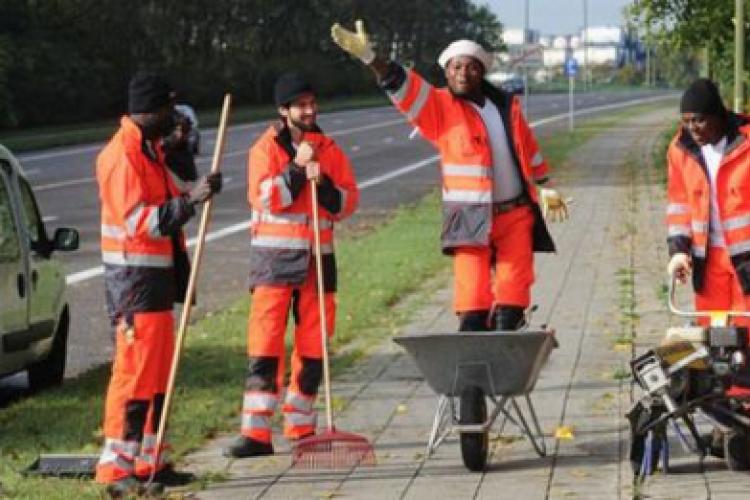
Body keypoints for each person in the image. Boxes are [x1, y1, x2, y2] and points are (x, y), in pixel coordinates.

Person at [331, 20, 569, 331]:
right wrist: (369, 58)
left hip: (515, 216)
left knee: (512, 300)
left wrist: (545, 185)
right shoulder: (439, 107)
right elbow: (402, 86)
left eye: (470, 67)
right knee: (472, 305)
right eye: (456, 67)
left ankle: (508, 358)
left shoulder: (507, 107)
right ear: (446, 72)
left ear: (481, 71)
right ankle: (472, 370)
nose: (462, 73)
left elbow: (529, 150)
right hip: (469, 218)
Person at [94, 71, 222, 496]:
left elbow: (174, 194)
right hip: (135, 283)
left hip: (157, 280)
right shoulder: (122, 156)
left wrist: (193, 181)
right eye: (168, 109)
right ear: (148, 112)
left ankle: (152, 460)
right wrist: (191, 201)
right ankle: (117, 470)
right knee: (134, 376)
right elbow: (140, 222)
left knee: (157, 374)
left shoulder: (150, 151)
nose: (175, 116)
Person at [223, 73, 359, 458]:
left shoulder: (329, 148)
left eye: (313, 102)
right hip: (274, 261)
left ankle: (301, 424)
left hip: (319, 261)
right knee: (265, 346)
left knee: (314, 346)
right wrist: (297, 170)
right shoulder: (264, 150)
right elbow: (265, 198)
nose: (310, 109)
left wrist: (327, 187)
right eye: (301, 104)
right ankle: (256, 434)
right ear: (284, 111)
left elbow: (348, 203)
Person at [666, 78, 750, 463]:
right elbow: (679, 204)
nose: (693, 129)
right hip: (708, 263)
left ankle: (741, 419)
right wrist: (678, 252)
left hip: (745, 260)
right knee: (718, 343)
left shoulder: (747, 140)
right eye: (686, 121)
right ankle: (727, 423)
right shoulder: (680, 149)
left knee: (746, 341)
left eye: (699, 120)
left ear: (718, 115)